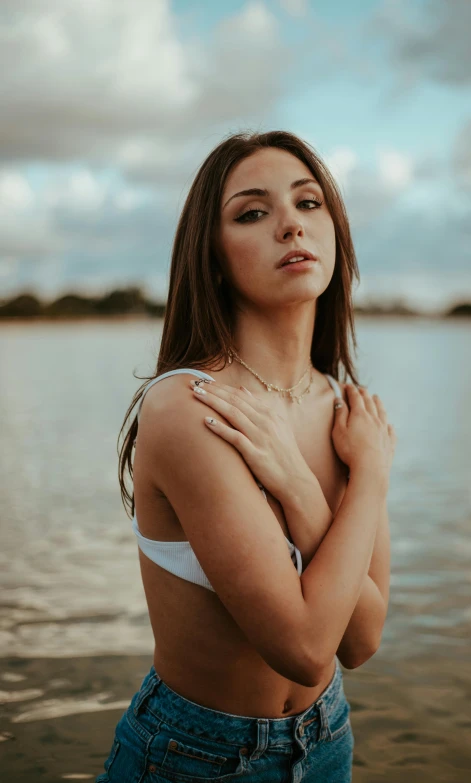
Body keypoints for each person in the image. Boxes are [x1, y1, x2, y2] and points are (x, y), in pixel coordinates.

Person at [97, 130, 396, 783]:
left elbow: (362, 640)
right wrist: (364, 477)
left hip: (328, 741)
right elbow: (305, 645)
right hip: (195, 756)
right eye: (253, 213)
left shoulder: (347, 413)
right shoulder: (191, 407)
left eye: (309, 203)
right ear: (212, 257)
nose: (290, 223)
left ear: (336, 231)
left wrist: (326, 481)